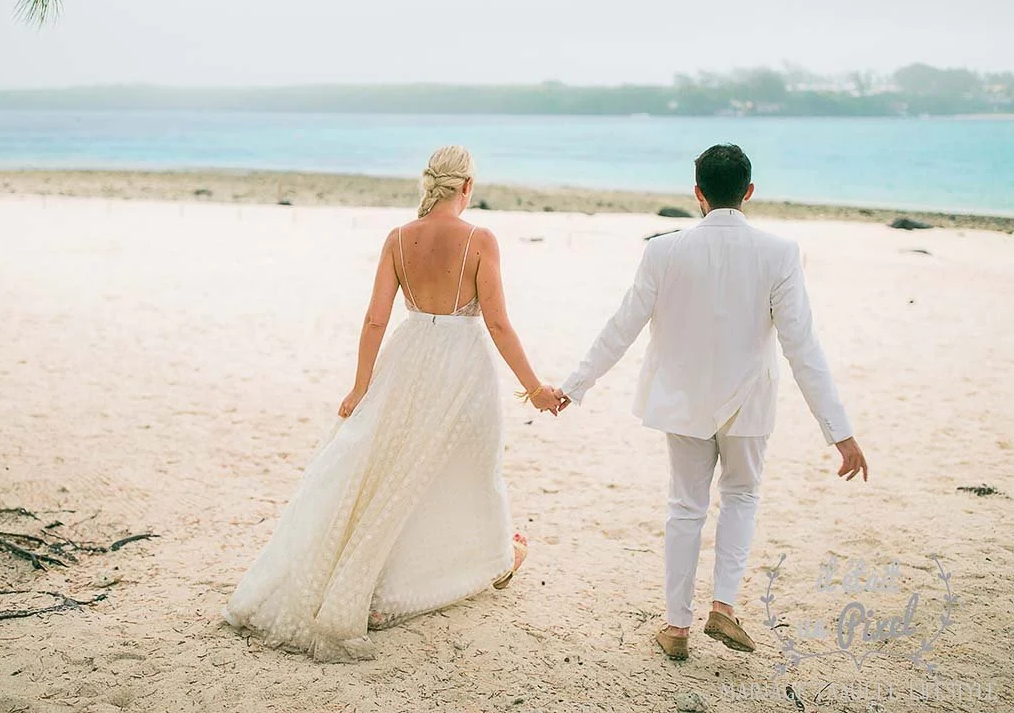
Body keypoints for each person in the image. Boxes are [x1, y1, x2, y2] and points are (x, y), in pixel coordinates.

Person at [221, 145, 560, 662]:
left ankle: (451, 563)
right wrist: (534, 387)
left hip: (408, 358)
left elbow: (375, 320)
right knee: (470, 469)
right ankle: (490, 559)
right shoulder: (480, 239)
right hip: (460, 366)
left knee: (395, 466)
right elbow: (496, 322)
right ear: (466, 186)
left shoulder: (399, 239)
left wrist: (361, 387)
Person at [556, 143, 869, 661]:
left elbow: (622, 327)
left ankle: (676, 627)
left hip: (683, 401)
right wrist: (839, 431)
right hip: (749, 402)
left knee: (685, 506)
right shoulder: (780, 253)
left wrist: (574, 386)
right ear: (749, 193)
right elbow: (802, 347)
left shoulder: (662, 250)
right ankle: (722, 606)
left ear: (697, 194)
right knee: (742, 497)